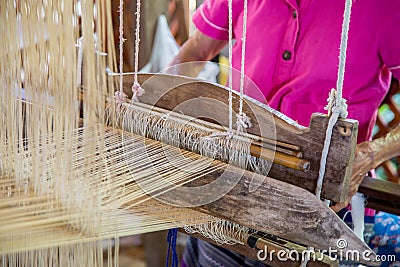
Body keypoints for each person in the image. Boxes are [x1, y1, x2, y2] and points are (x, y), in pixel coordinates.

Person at [169, 0, 400, 266]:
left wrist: (370, 155)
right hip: (231, 187)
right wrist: (159, 107)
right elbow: (195, 50)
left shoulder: (383, 7)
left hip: (326, 209)